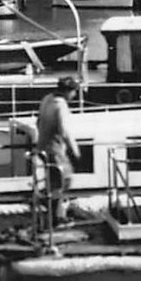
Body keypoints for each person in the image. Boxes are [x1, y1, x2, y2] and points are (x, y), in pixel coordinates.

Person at [35, 76, 82, 222]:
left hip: (43, 147)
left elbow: (38, 122)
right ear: (68, 91)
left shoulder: (46, 99)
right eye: (74, 92)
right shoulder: (61, 105)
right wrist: (75, 150)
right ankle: (55, 216)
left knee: (54, 181)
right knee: (65, 180)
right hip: (55, 149)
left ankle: (52, 213)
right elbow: (64, 131)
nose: (74, 96)